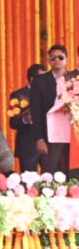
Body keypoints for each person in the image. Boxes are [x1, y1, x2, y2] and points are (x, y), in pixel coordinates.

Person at [30, 45, 77, 175]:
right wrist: (39, 138)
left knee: (72, 173)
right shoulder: (39, 81)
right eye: (53, 58)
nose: (56, 60)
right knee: (50, 174)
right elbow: (36, 112)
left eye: (60, 57)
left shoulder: (75, 78)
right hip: (49, 135)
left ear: (67, 59)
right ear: (49, 60)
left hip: (72, 134)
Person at [9, 64, 46, 173]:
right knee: (28, 180)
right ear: (32, 79)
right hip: (28, 147)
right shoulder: (17, 95)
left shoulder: (51, 93)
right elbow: (13, 123)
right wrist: (25, 119)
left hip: (47, 146)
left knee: (52, 179)